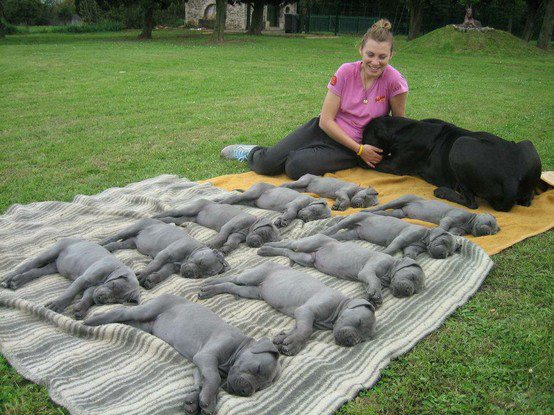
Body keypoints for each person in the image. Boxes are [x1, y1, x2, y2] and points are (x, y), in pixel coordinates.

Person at [221, 19, 408, 179]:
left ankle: (291, 156)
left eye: (382, 56)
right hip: (322, 130)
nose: (375, 62)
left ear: (391, 55)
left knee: (295, 167)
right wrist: (360, 150)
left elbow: (399, 126)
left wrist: (366, 151)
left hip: (350, 149)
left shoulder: (394, 81)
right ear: (361, 50)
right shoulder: (345, 72)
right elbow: (326, 121)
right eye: (370, 54)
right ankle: (252, 152)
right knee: (266, 164)